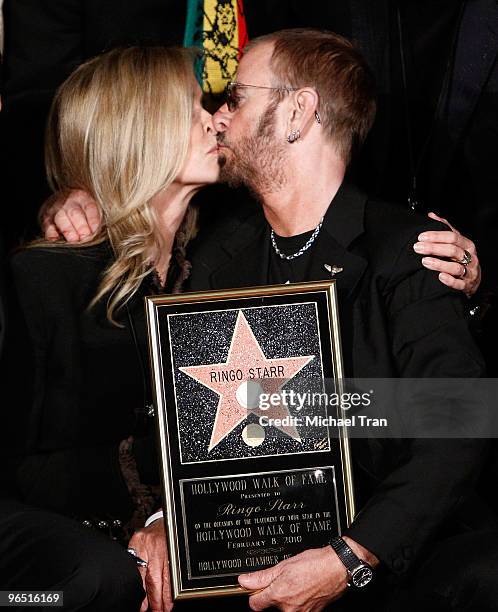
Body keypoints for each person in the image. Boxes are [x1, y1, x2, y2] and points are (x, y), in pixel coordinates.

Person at [132, 30, 496, 611]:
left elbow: (459, 422)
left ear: (298, 111)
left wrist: (352, 556)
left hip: (387, 556)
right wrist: (166, 521)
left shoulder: (408, 250)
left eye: (238, 97)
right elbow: (188, 430)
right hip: (251, 555)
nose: (219, 117)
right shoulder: (220, 256)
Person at [0, 45, 219, 609]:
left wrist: (172, 518)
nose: (214, 119)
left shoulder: (224, 260)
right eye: (193, 107)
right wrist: (131, 534)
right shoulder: (45, 276)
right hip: (64, 553)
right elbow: (25, 468)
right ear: (139, 131)